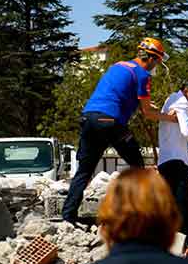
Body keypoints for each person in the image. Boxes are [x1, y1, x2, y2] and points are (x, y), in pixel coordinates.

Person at [62, 38, 177, 224]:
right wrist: (170, 118)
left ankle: (68, 215)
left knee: (84, 169)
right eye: (157, 61)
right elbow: (148, 113)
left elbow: (118, 92)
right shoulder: (143, 75)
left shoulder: (119, 66)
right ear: (152, 59)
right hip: (110, 121)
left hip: (89, 118)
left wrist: (142, 104)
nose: (157, 66)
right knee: (138, 166)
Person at [158, 77, 188, 245]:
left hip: (165, 159)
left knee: (170, 202)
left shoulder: (172, 99)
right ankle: (183, 244)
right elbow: (186, 131)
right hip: (176, 160)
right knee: (185, 205)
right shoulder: (181, 102)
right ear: (187, 91)